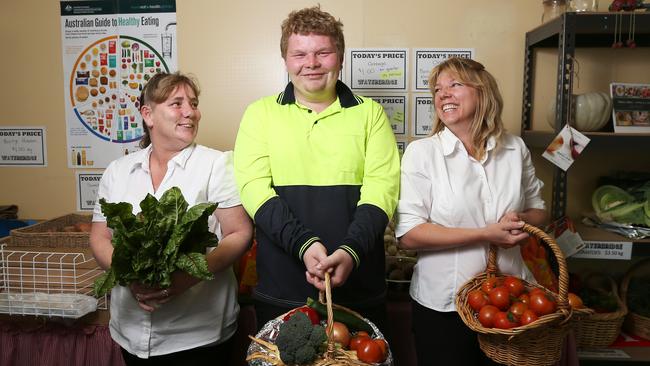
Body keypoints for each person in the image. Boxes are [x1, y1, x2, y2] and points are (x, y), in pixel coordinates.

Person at [234, 5, 400, 333]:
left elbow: (382, 190)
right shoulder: (259, 114)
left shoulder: (372, 115)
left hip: (359, 290)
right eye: (300, 54)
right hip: (282, 290)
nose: (311, 63)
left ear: (341, 57)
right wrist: (304, 244)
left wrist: (350, 252)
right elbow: (254, 189)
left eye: (323, 52)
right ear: (285, 60)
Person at [89, 72, 253, 365]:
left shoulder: (216, 164)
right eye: (177, 103)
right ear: (148, 115)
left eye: (193, 103)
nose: (191, 112)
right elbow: (100, 237)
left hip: (197, 333)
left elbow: (238, 233)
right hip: (129, 330)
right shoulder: (118, 170)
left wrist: (186, 278)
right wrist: (131, 280)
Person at [395, 57, 548, 366]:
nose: (442, 94)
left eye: (454, 85)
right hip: (444, 307)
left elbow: (539, 210)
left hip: (511, 301)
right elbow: (408, 235)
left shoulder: (514, 149)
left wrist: (519, 222)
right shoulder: (422, 154)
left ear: (483, 92)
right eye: (437, 89)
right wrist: (485, 234)